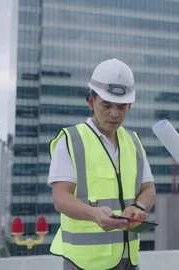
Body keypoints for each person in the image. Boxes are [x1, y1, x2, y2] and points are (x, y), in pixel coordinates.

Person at [48, 58, 156, 270]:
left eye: (121, 106)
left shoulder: (133, 141)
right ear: (91, 102)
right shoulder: (71, 140)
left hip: (128, 261)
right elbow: (60, 197)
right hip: (84, 263)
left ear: (130, 106)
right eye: (106, 105)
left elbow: (148, 189)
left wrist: (138, 207)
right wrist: (94, 214)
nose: (114, 113)